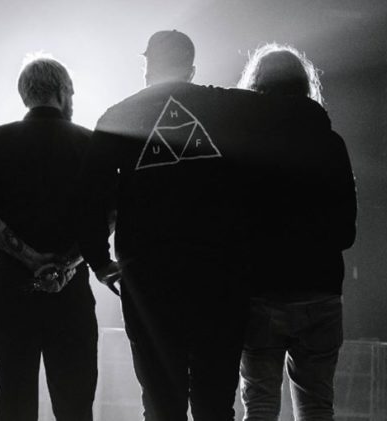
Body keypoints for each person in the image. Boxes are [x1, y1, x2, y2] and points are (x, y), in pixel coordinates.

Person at [76, 31, 337, 421]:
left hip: (149, 284)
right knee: (214, 403)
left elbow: (88, 197)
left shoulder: (117, 118)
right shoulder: (229, 106)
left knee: (161, 404)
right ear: (192, 69)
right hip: (221, 283)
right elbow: (298, 112)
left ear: (147, 67)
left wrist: (100, 261)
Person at [0, 55, 100, 421]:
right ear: (63, 91)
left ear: (24, 93)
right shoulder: (90, 143)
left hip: (11, 286)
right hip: (70, 288)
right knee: (75, 406)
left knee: (15, 400)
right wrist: (65, 264)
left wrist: (31, 259)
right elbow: (108, 215)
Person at [236, 43, 357, 421]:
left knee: (259, 406)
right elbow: (346, 233)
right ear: (305, 86)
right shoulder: (331, 144)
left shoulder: (244, 145)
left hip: (259, 293)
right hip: (320, 293)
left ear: (255, 86)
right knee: (317, 408)